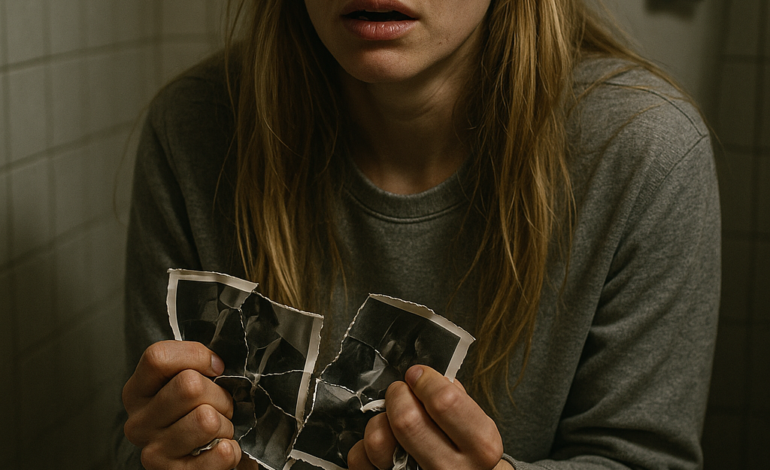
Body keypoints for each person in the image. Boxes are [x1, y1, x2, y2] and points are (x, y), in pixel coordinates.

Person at [114, 0, 721, 469]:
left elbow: (641, 458)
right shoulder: (192, 132)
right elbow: (141, 439)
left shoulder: (645, 154)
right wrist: (166, 449)